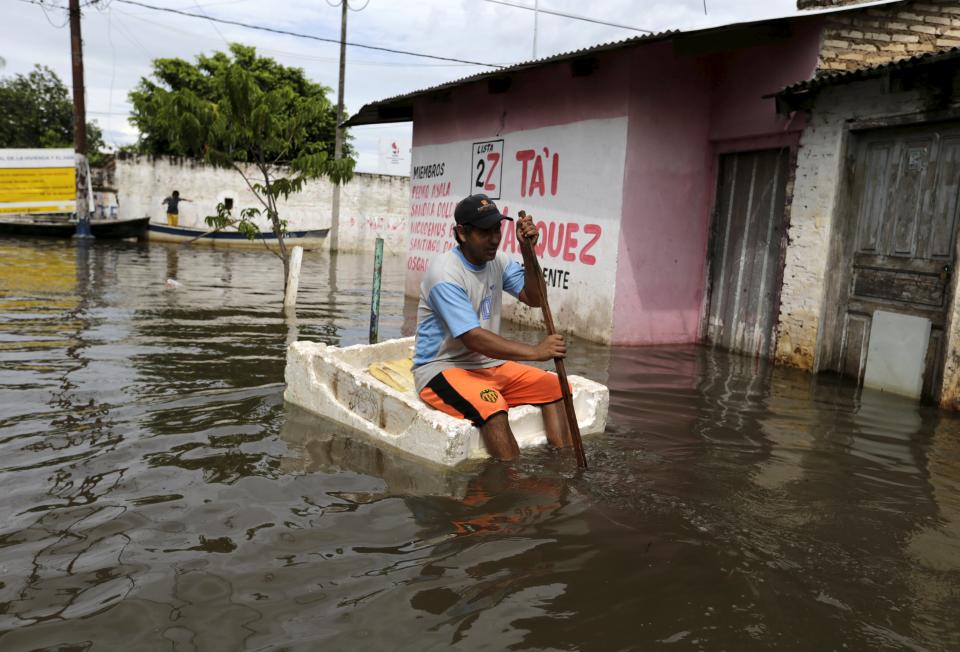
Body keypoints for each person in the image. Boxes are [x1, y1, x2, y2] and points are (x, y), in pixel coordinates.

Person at [413, 193, 572, 460]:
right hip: (442, 368)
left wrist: (527, 251)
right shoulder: (445, 273)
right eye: (485, 232)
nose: (495, 239)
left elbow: (534, 298)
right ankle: (511, 483)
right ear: (462, 233)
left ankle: (563, 468)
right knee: (494, 406)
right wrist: (536, 351)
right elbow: (473, 338)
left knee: (556, 387)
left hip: (487, 365)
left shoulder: (498, 261)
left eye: (497, 229)